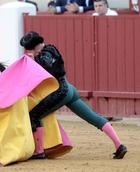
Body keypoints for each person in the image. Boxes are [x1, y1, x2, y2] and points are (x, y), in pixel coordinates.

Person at [20, 31, 127, 159]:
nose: (32, 51)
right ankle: (119, 145)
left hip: (59, 92)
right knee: (93, 117)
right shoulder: (51, 49)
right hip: (69, 89)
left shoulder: (44, 54)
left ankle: (39, 151)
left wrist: (33, 61)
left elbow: (45, 66)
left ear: (38, 45)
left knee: (34, 115)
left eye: (32, 48)